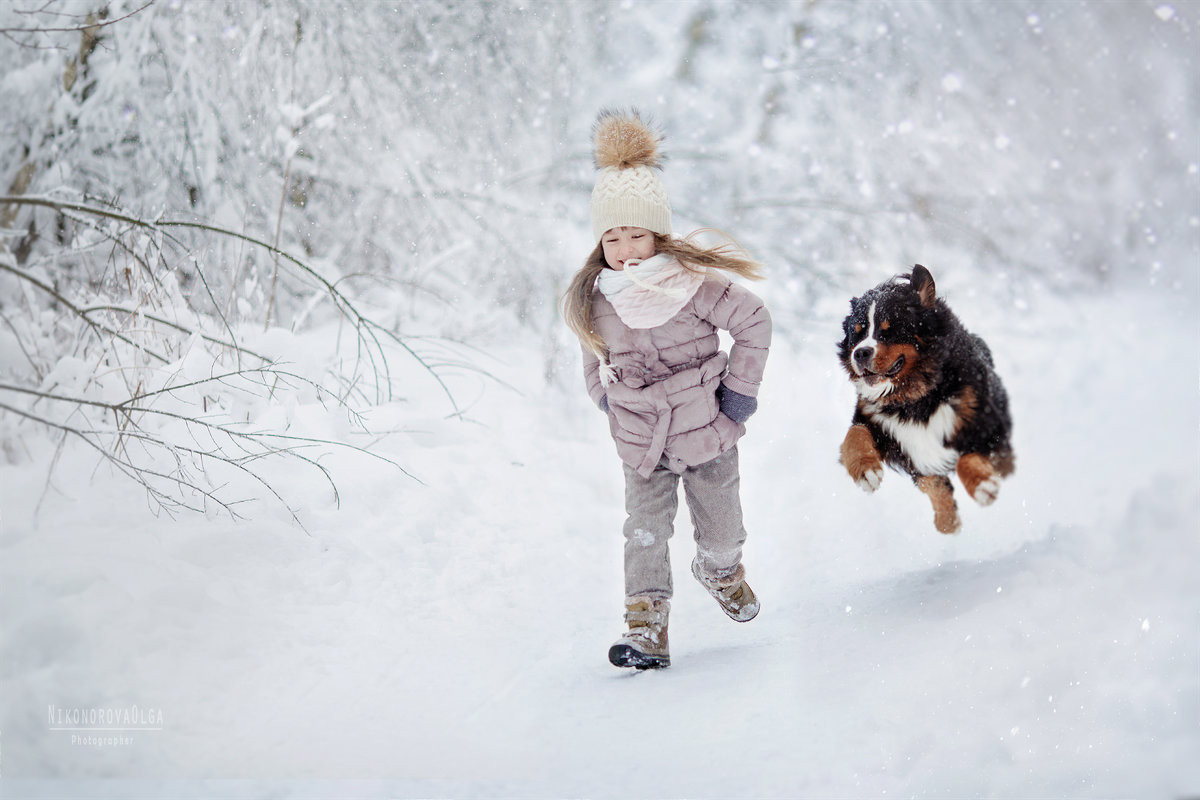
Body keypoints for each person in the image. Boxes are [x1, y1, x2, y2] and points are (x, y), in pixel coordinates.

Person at [562, 109, 772, 670]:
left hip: (707, 428)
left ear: (658, 233)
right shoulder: (595, 297)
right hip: (641, 441)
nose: (625, 248)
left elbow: (754, 322)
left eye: (636, 234)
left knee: (722, 527)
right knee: (645, 533)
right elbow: (592, 354)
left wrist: (739, 396)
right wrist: (607, 402)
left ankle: (721, 569)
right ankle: (646, 627)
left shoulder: (694, 283)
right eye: (612, 236)